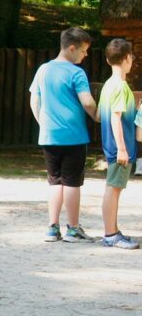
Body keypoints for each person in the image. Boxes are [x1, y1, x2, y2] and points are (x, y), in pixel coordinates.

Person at [29, 27, 99, 244]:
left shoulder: (43, 70)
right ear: (71, 48)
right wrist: (98, 116)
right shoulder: (76, 73)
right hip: (74, 136)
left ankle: (52, 227)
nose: (85, 55)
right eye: (84, 50)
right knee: (71, 183)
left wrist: (44, 124)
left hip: (49, 136)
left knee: (54, 181)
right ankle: (73, 229)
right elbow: (87, 101)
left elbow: (34, 101)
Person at [98, 38, 138, 249]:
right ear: (127, 59)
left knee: (114, 188)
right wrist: (122, 148)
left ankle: (113, 230)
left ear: (107, 59)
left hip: (112, 146)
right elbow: (115, 117)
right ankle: (110, 234)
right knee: (113, 188)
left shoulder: (107, 86)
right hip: (119, 148)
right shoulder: (121, 87)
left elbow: (98, 114)